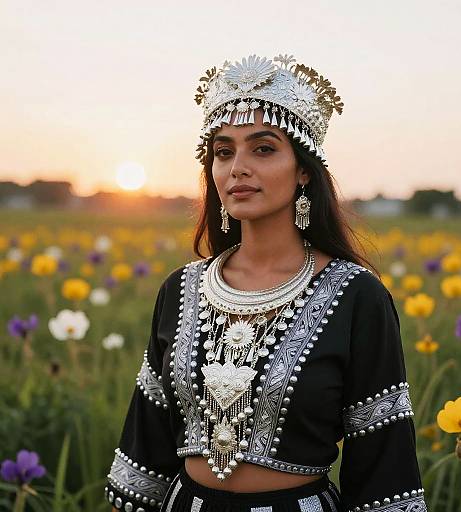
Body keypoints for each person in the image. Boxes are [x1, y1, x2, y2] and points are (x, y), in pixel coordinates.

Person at [105, 53, 427, 512]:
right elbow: (147, 444)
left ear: (303, 171)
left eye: (263, 148)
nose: (237, 167)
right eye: (223, 151)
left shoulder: (357, 296)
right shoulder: (180, 290)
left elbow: (382, 455)